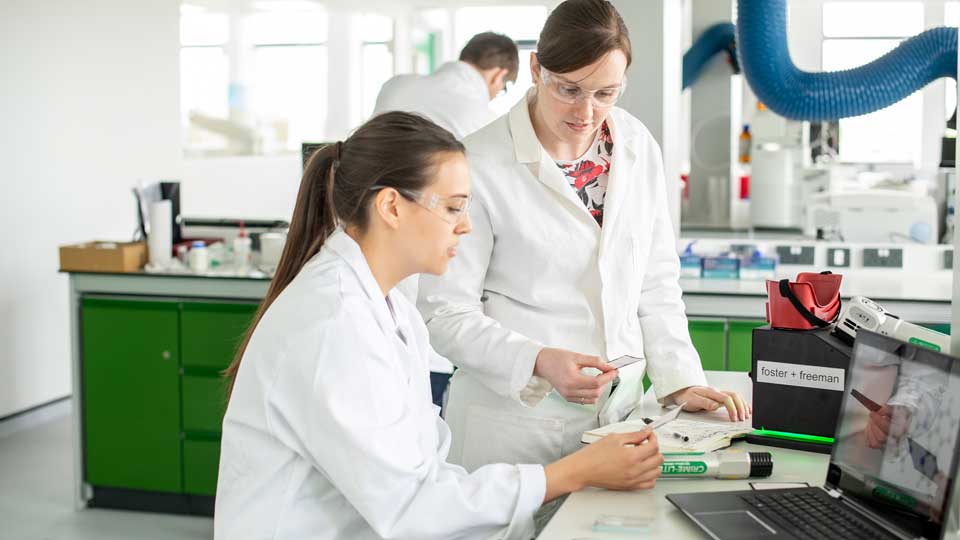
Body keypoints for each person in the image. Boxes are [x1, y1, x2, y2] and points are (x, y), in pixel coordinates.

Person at [214, 111, 665, 540]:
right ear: (391, 206)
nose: (465, 227)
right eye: (452, 208)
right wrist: (573, 473)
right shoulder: (334, 324)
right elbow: (410, 507)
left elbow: (427, 474)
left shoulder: (391, 307)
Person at [417, 0, 751, 524]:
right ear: (535, 69)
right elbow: (442, 312)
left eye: (605, 93)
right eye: (568, 88)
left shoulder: (637, 145)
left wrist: (680, 380)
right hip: (514, 430)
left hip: (619, 425)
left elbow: (656, 280)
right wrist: (538, 360)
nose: (586, 111)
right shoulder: (477, 162)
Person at [374, 32, 519, 407]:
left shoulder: (396, 85)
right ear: (498, 77)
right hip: (415, 272)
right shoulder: (482, 120)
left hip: (373, 252)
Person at [373, 32, 518, 140]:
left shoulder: (395, 84)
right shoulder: (486, 124)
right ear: (498, 75)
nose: (493, 97)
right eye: (502, 90)